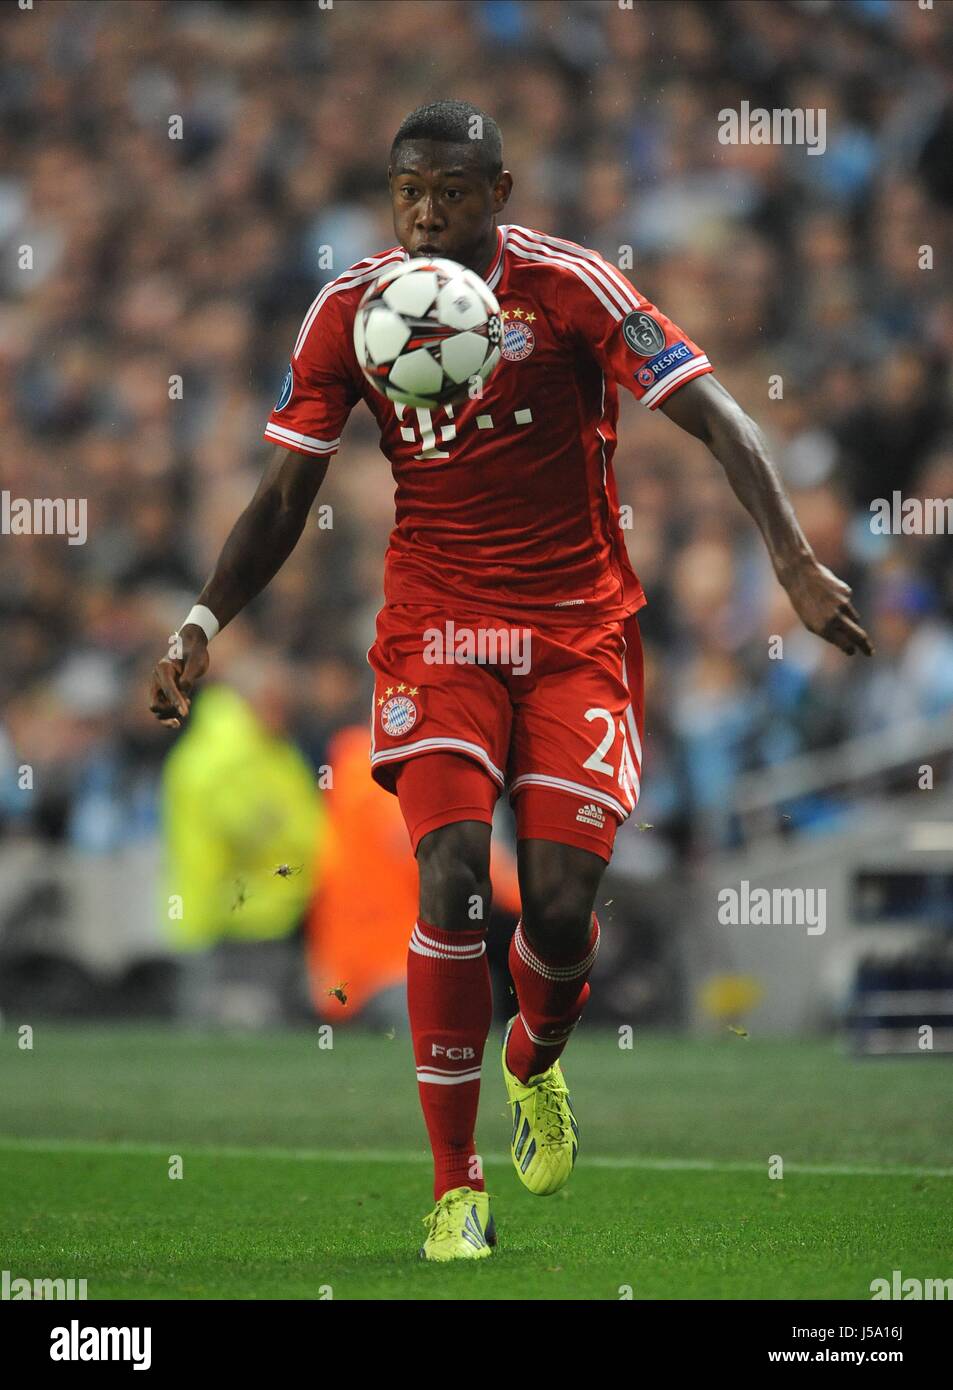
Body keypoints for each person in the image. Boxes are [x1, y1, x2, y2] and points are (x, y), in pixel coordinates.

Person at [148, 99, 872, 1262]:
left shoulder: (574, 288)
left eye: (451, 190)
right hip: (436, 630)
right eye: (407, 191)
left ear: (502, 191)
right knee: (446, 874)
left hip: (577, 632)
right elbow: (285, 494)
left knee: (564, 906)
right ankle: (454, 1189)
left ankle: (534, 1056)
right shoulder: (352, 311)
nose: (426, 213)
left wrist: (789, 561)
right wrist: (199, 621)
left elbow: (719, 416)